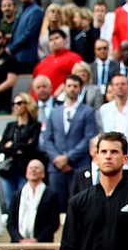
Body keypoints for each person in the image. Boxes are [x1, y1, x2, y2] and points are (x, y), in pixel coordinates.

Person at [41, 74, 97, 207]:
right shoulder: (54, 112)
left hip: (78, 165)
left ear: (80, 88)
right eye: (69, 86)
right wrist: (57, 159)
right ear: (64, 88)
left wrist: (68, 158)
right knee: (56, 205)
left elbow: (88, 138)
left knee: (79, 203)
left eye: (75, 86)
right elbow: (47, 139)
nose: (72, 89)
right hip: (56, 167)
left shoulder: (88, 111)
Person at [0, 93, 43, 204]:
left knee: (24, 201)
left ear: (27, 105)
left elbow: (32, 146)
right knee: (10, 201)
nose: (15, 106)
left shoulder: (34, 125)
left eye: (19, 103)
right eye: (13, 104)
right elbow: (1, 147)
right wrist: (21, 147)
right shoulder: (10, 125)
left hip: (24, 168)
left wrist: (12, 145)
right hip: (9, 169)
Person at [7, 159, 59, 243]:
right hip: (18, 245)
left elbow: (54, 222)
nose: (33, 170)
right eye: (30, 168)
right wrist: (19, 239)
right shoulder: (17, 195)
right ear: (26, 173)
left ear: (43, 174)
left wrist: (37, 239)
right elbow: (11, 221)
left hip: (42, 245)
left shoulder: (51, 195)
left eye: (36, 168)